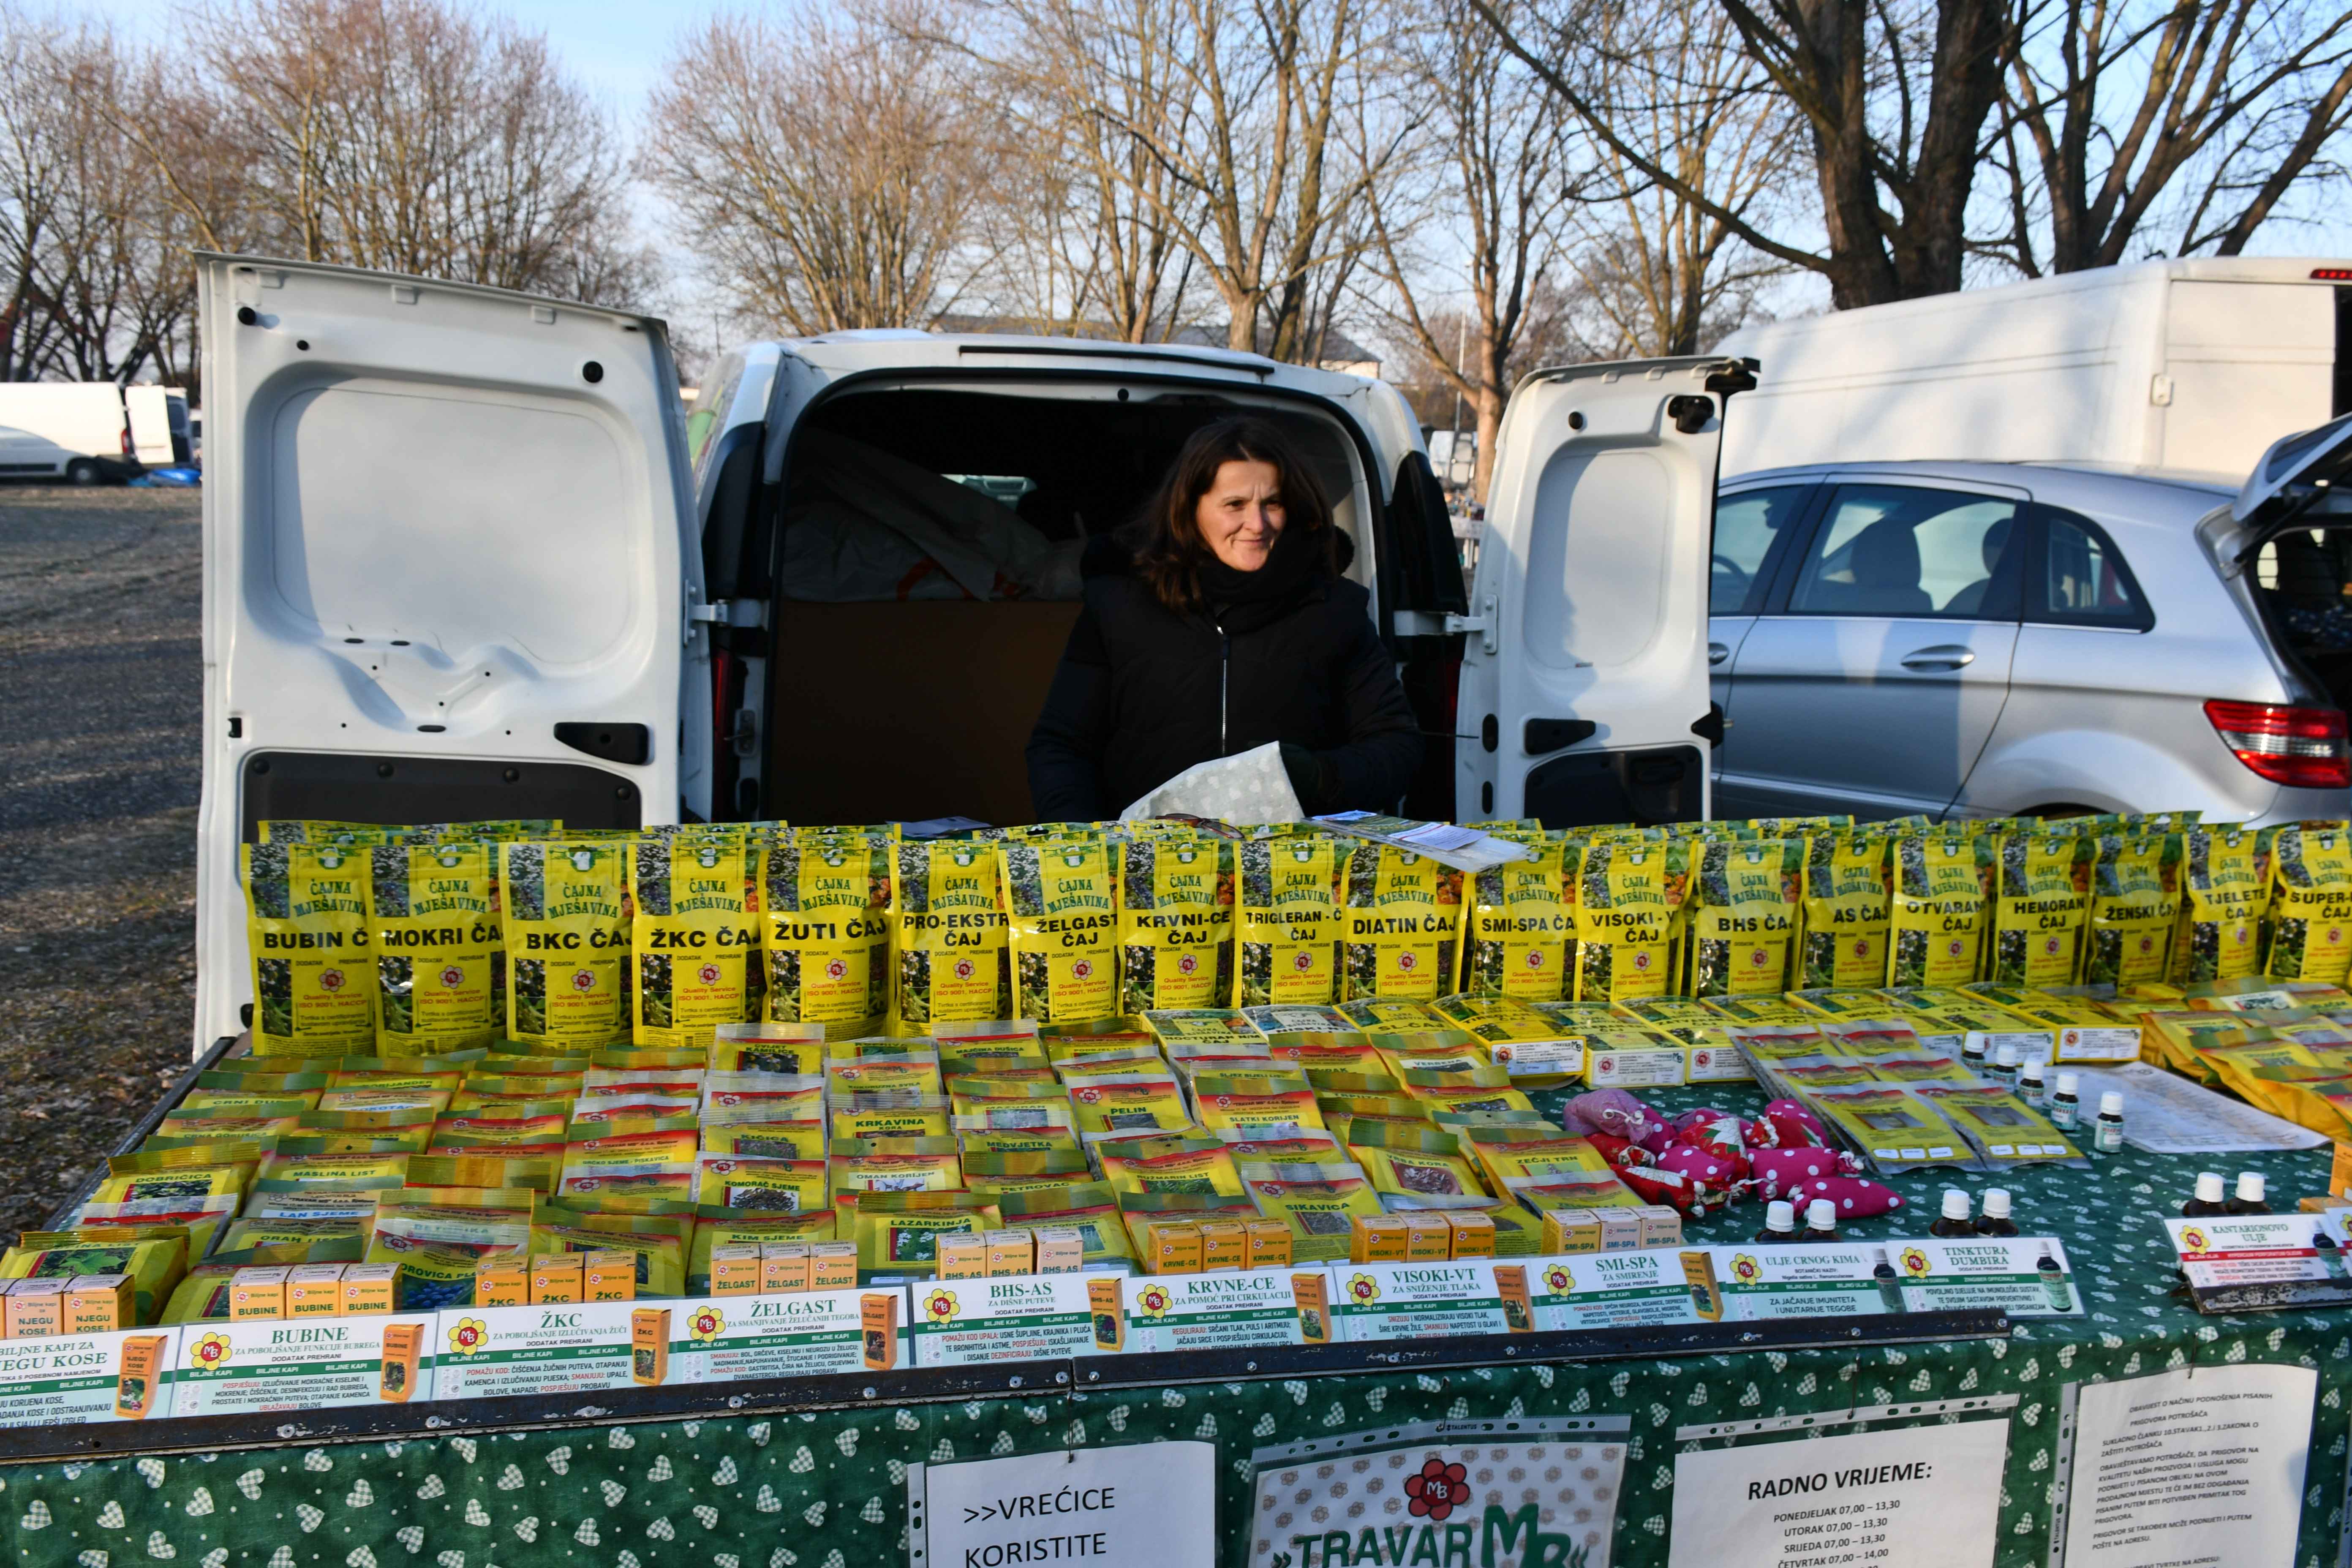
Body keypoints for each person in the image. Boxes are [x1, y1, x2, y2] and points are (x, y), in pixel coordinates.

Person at [1025, 417, 1422, 822]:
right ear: (1190, 509)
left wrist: (1320, 778)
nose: (1258, 524)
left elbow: (1396, 747)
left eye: (1272, 503)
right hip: (1144, 856)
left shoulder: (1335, 610)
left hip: (1292, 857)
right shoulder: (1119, 606)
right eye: (1235, 505)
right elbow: (1061, 746)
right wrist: (1090, 841)